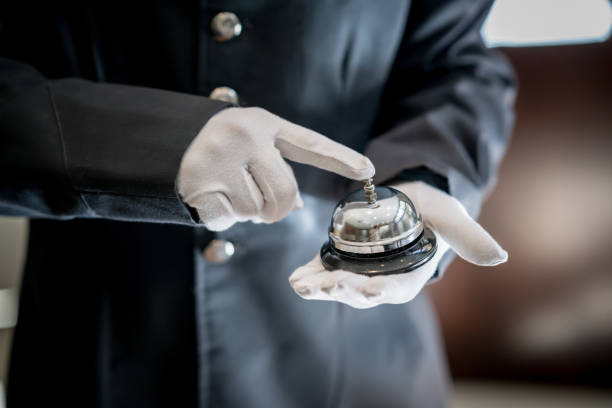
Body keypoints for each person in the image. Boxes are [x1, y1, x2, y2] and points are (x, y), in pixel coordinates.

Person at [0, 0, 515, 407]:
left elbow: (454, 64)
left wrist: (425, 176)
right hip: (92, 354)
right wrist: (153, 145)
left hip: (357, 363)